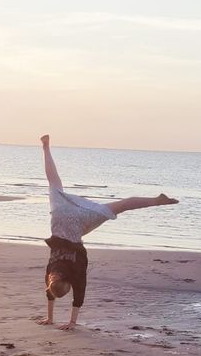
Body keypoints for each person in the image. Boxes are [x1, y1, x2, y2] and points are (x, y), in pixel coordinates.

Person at [36, 135, 178, 330]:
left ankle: (156, 201)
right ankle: (45, 147)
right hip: (61, 216)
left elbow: (78, 292)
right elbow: (51, 290)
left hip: (77, 222)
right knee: (55, 182)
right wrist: (55, 320)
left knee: (120, 206)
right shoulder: (52, 272)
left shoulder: (69, 270)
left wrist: (70, 322)